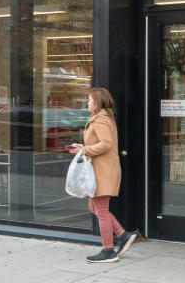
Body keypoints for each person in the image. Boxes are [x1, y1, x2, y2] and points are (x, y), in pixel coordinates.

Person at [69, 88, 138, 263]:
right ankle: (122, 235)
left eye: (90, 100)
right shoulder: (102, 118)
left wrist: (83, 150)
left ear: (97, 102)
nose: (87, 103)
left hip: (103, 172)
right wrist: (82, 148)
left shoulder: (100, 119)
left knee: (100, 210)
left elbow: (106, 144)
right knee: (94, 208)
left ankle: (108, 250)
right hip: (100, 170)